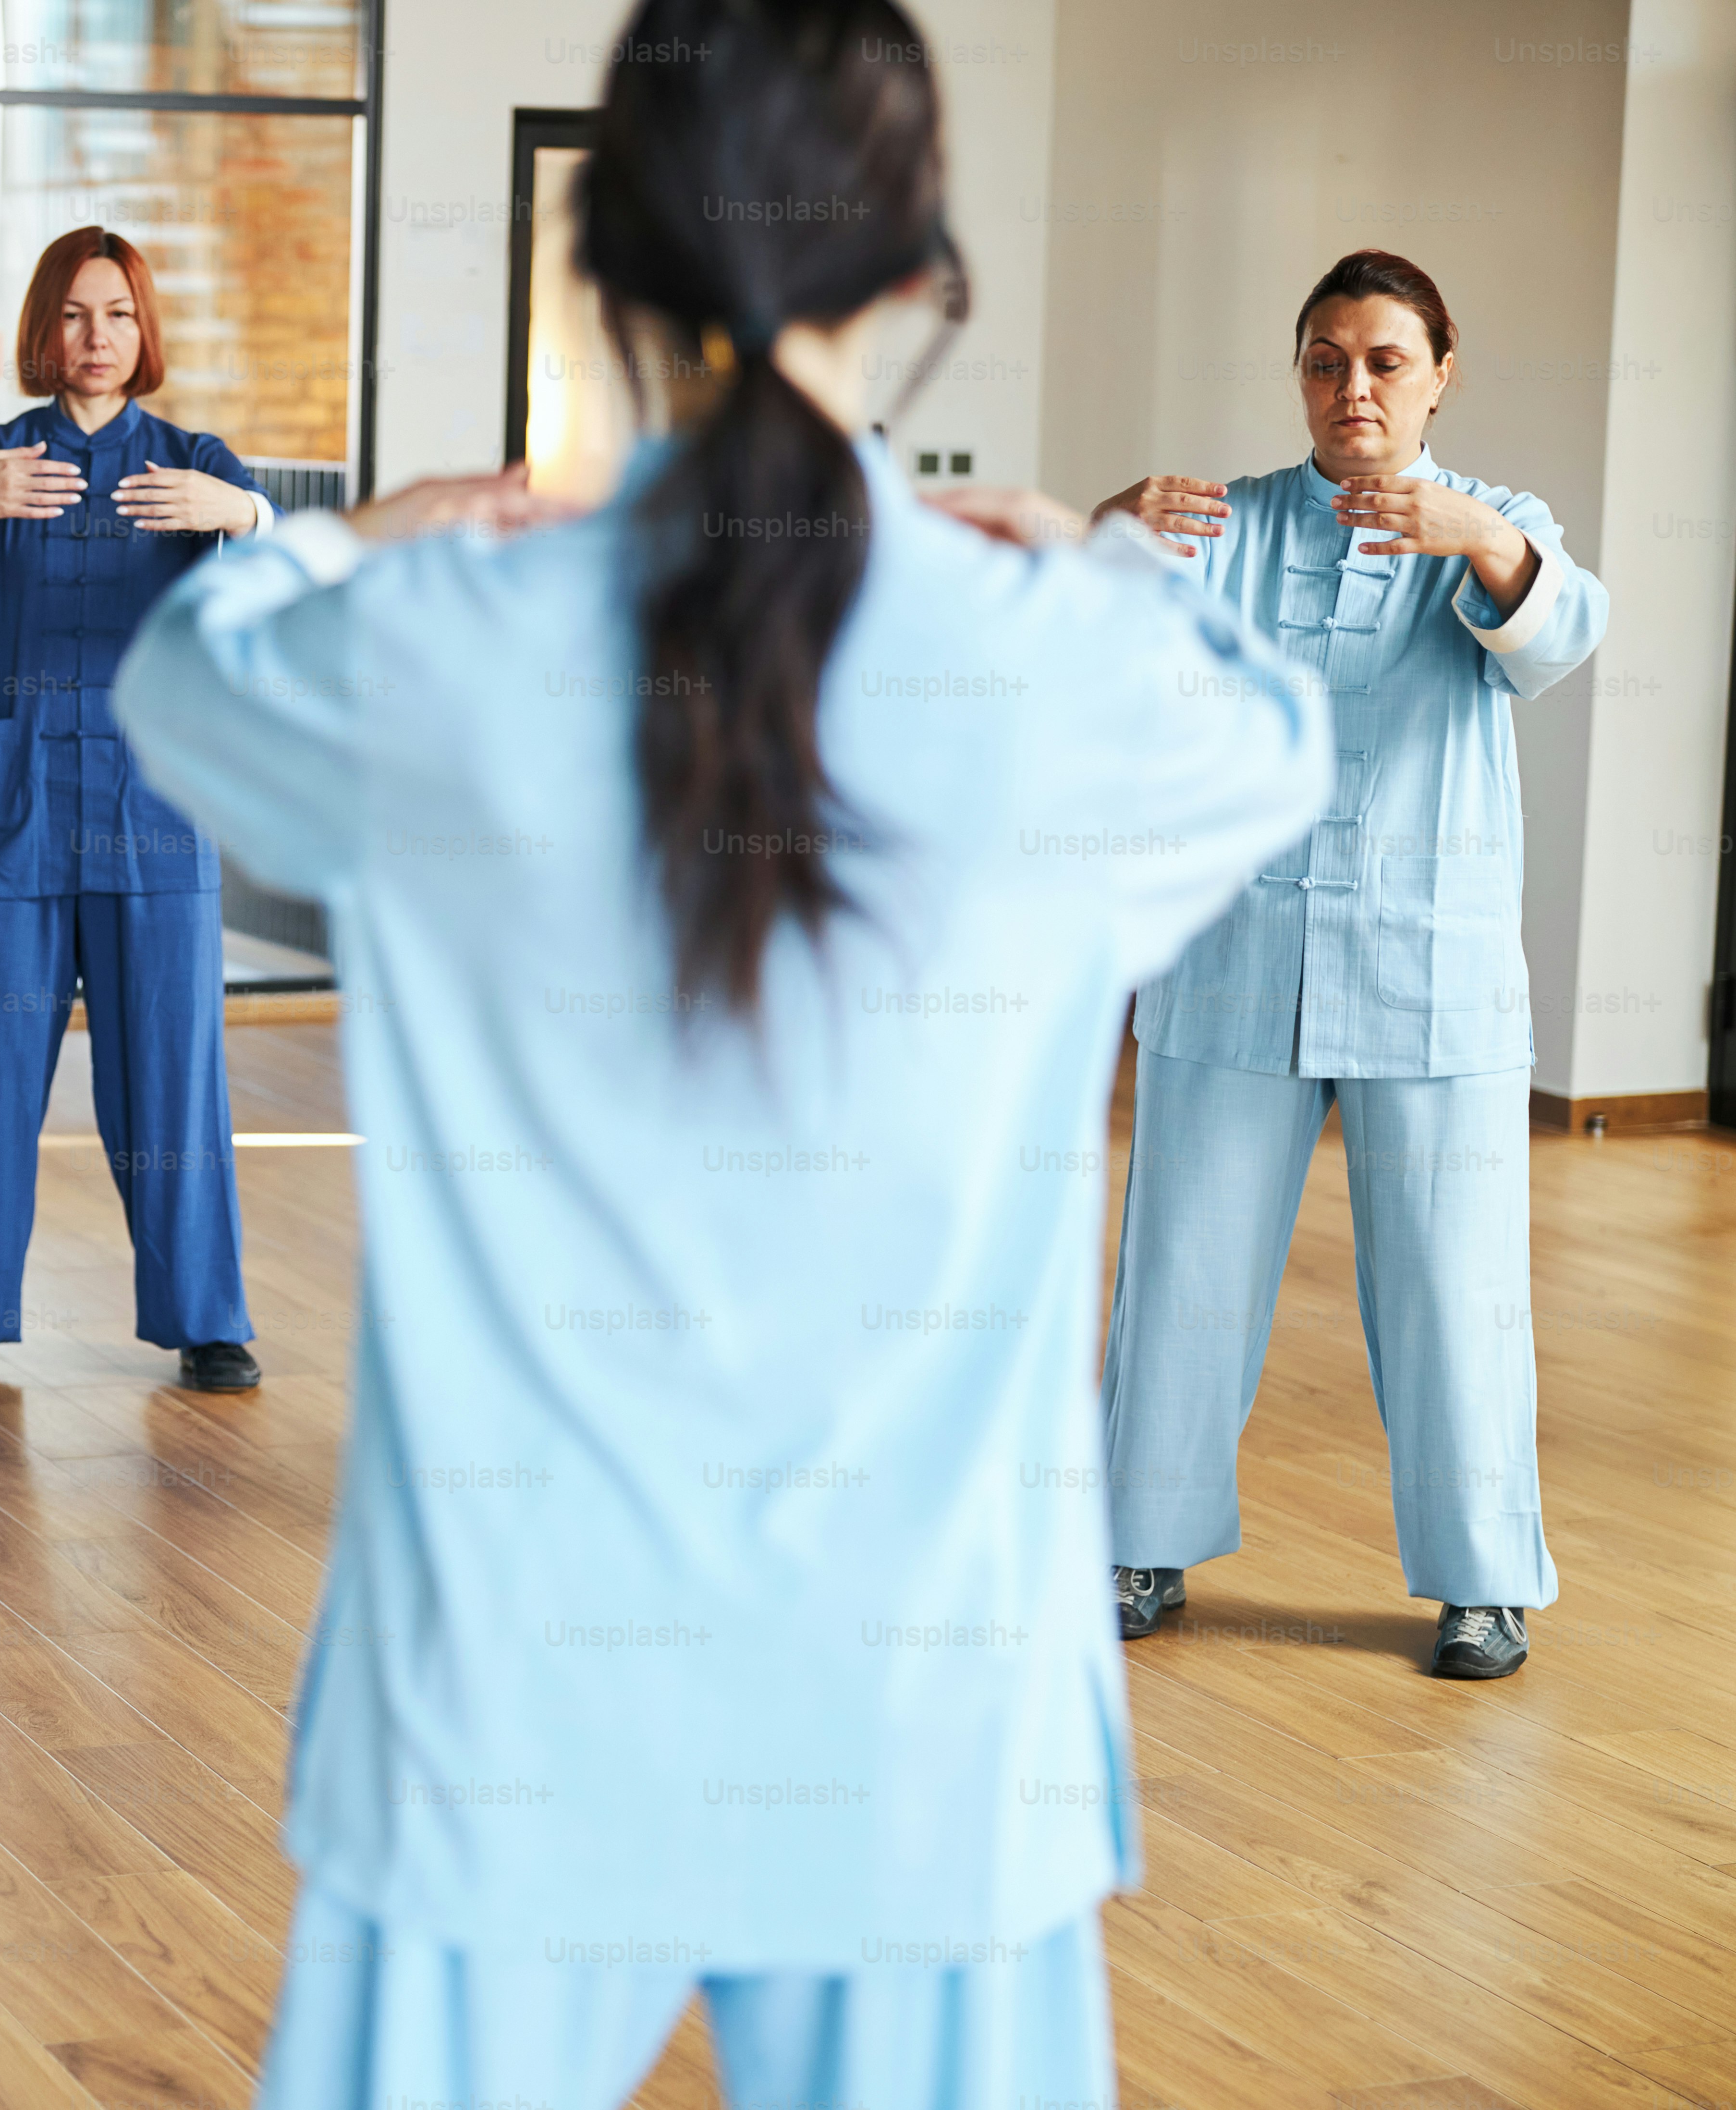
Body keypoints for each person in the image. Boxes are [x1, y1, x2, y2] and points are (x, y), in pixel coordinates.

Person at [110, 1, 1331, 2100]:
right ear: (920, 278)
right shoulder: (1064, 677)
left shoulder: (437, 652)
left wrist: (370, 530)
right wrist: (1096, 557)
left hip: (504, 1717)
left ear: (606, 270)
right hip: (926, 1728)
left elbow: (186, 682)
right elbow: (1277, 743)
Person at [1092, 250, 1606, 1679]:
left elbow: (1558, 635)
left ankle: (1480, 1581)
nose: (1352, 386)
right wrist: (1095, 539)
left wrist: (1477, 545)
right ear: (1299, 376)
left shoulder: (1493, 523)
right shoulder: (1222, 521)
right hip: (1232, 962)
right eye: (1324, 359)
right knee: (1181, 1268)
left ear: (1440, 373)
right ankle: (1135, 1544)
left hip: (1425, 976)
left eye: (1384, 360)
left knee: (1452, 1286)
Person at [0, 226, 277, 1395]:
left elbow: (280, 576)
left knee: (172, 1076)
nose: (94, 338)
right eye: (72, 315)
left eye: (115, 315)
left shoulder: (195, 460)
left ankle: (208, 1318)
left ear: (143, 330)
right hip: (19, 813)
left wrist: (239, 511)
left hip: (157, 813)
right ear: (42, 330)